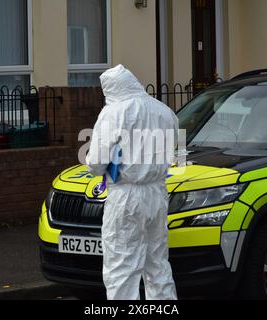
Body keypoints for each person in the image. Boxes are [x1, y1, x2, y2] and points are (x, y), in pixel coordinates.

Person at [86, 65, 179, 300]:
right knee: (157, 265)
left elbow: (96, 162)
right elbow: (177, 149)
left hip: (126, 196)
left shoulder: (114, 112)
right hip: (157, 193)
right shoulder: (165, 111)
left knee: (122, 267)